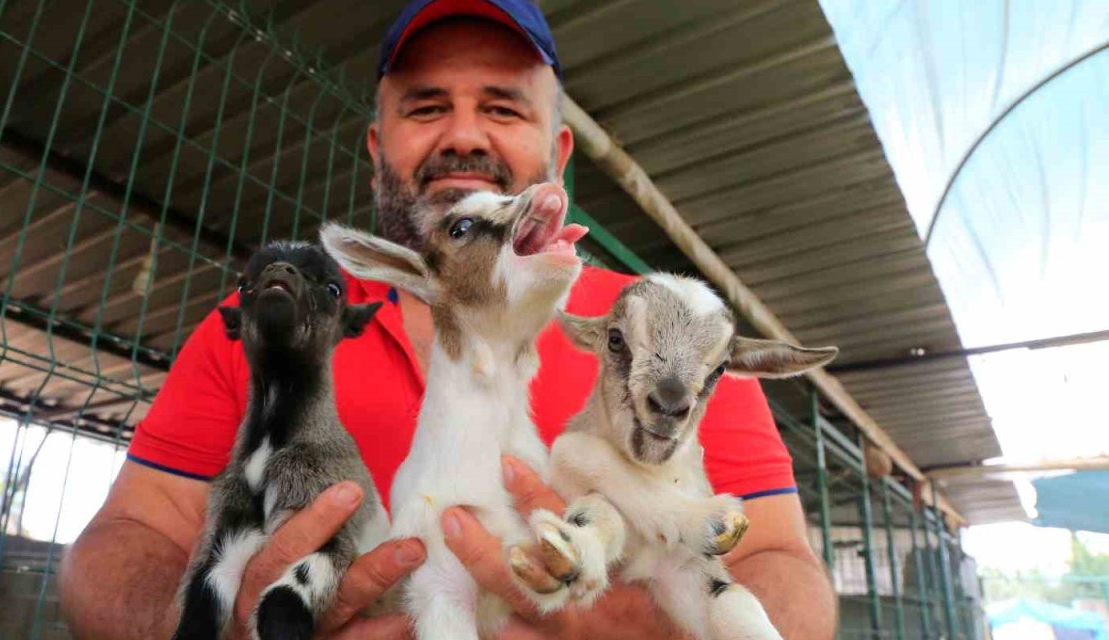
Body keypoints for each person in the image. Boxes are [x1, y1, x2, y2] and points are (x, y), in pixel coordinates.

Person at [58, 1, 838, 638]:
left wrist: (638, 617)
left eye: (502, 106)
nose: (464, 134)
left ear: (557, 151)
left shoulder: (667, 333)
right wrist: (204, 620)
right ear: (377, 147)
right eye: (427, 106)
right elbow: (118, 549)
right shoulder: (269, 322)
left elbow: (788, 574)